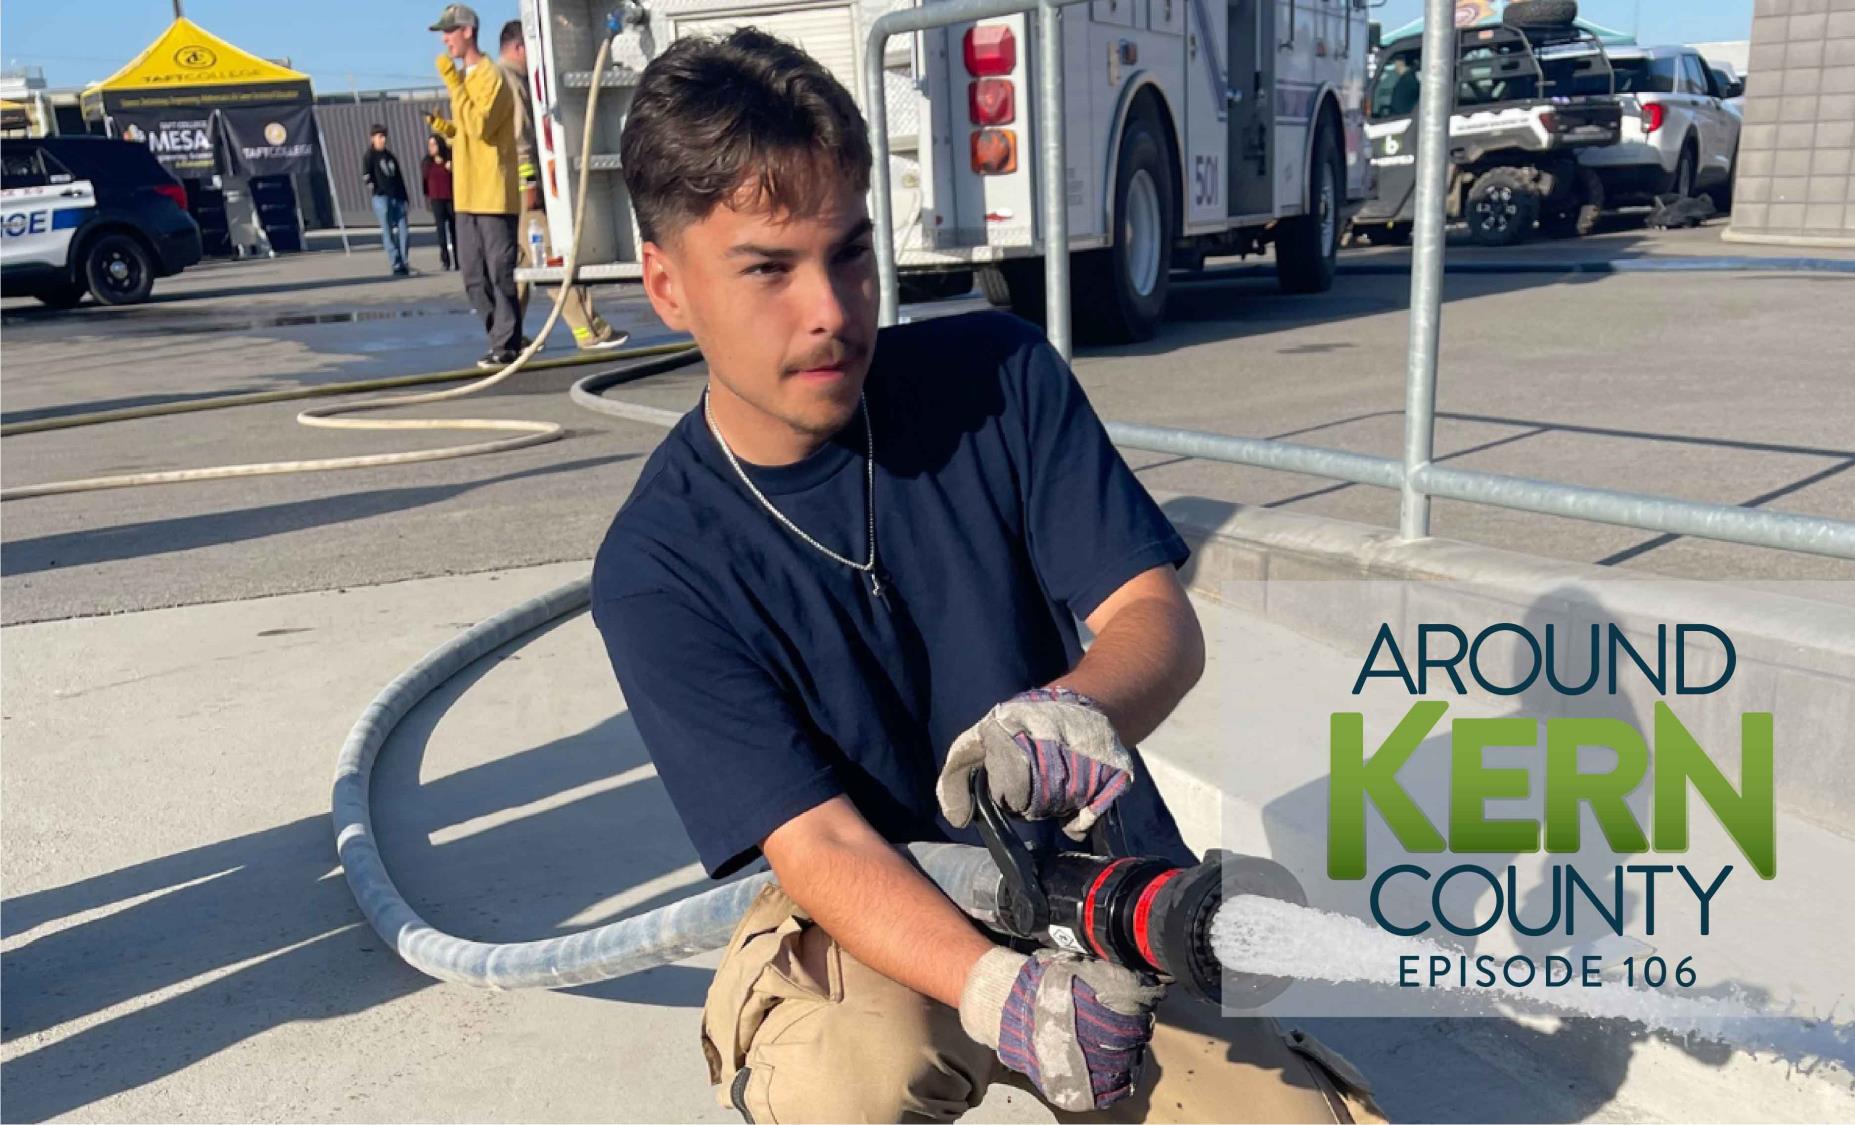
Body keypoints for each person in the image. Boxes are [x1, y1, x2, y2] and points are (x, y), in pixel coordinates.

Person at [590, 28, 1385, 1125]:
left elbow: (1152, 615)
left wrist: (1075, 712)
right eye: (769, 268)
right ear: (667, 286)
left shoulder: (997, 378)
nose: (829, 309)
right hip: (874, 917)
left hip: (1098, 896)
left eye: (851, 253)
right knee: (841, 1085)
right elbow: (816, 842)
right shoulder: (658, 569)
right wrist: (993, 990)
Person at [497, 19, 628, 352]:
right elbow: (520, 137)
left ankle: (506, 336)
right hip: (522, 186)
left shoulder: (502, 79)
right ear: (518, 47)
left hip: (506, 188)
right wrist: (530, 184)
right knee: (554, 255)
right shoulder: (510, 81)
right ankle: (589, 329)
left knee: (524, 265)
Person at [427, 2, 522, 371]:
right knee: (472, 275)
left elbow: (482, 126)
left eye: (449, 31)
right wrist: (444, 127)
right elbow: (467, 130)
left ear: (468, 31)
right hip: (466, 194)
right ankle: (500, 333)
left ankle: (506, 342)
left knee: (499, 270)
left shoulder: (492, 77)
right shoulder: (466, 81)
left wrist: (452, 82)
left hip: (493, 193)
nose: (445, 39)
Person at [361, 125, 413, 277]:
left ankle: (404, 260)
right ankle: (395, 262)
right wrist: (373, 187)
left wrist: (405, 197)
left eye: (384, 136)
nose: (382, 139)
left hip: (397, 197)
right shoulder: (370, 156)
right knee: (388, 231)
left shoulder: (390, 156)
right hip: (382, 197)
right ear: (373, 138)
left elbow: (399, 177)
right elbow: (367, 175)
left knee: (404, 230)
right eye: (379, 136)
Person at [423, 133, 456, 271]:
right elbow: (424, 182)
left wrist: (451, 168)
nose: (431, 148)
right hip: (436, 200)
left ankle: (459, 259)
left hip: (450, 198)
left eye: (434, 144)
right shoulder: (427, 163)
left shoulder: (449, 160)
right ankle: (445, 260)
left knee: (455, 230)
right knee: (441, 231)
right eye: (429, 145)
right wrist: (428, 199)